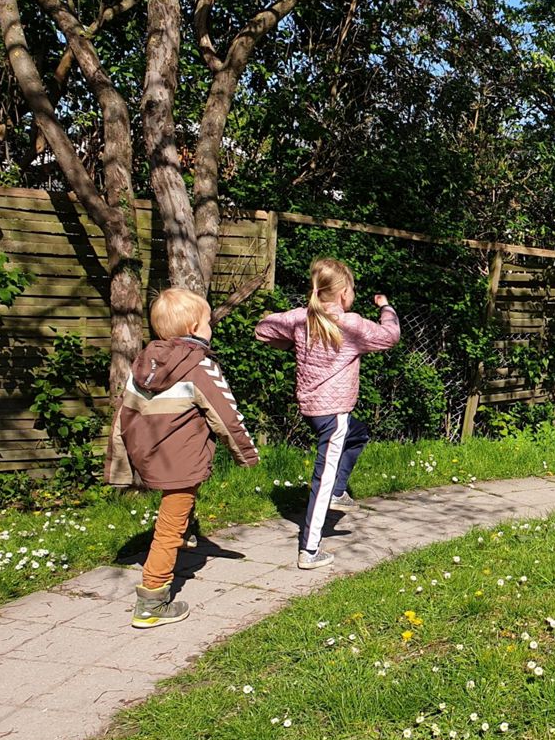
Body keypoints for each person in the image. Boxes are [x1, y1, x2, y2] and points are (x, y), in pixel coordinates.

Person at [105, 288, 260, 629]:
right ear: (194, 328)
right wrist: (246, 453)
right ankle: (151, 601)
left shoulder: (143, 364)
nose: (210, 327)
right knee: (167, 529)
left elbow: (123, 414)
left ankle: (186, 535)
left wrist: (119, 461)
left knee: (176, 514)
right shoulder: (199, 365)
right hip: (182, 460)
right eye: (208, 322)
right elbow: (226, 414)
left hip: (150, 455)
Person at [255, 257, 399, 570]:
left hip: (312, 409)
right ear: (344, 293)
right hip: (334, 414)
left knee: (359, 433)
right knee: (322, 478)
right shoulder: (351, 325)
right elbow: (390, 336)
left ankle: (338, 490)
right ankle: (309, 550)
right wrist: (386, 307)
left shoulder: (299, 318)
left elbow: (263, 330)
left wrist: (292, 343)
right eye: (352, 290)